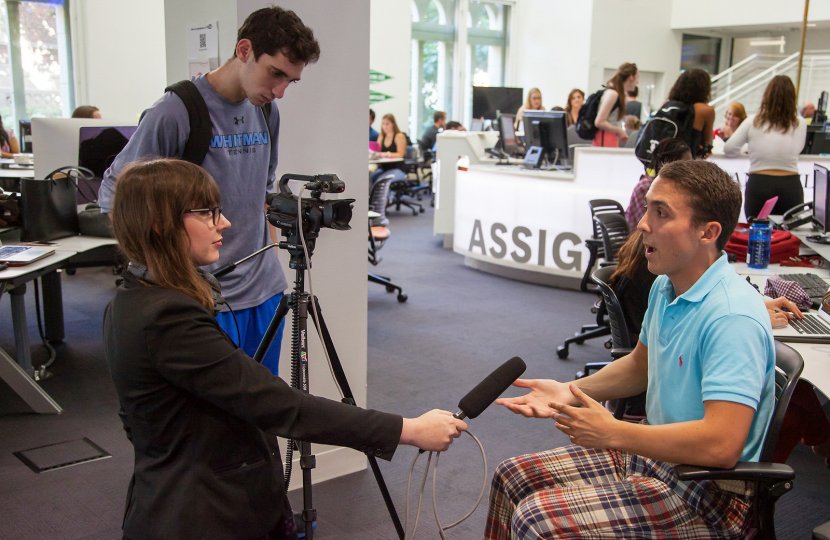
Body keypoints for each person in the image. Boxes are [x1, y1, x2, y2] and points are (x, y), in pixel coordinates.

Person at [105, 158, 467, 539]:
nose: (224, 223)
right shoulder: (168, 316)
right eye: (208, 213)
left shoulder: (132, 299)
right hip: (204, 514)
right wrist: (406, 430)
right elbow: (278, 405)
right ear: (160, 223)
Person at [485, 159, 775, 539]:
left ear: (708, 232)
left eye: (661, 213)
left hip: (709, 492)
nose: (642, 223)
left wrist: (616, 432)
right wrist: (570, 392)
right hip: (660, 458)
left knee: (540, 523)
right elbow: (641, 365)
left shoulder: (732, 318)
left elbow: (721, 445)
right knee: (512, 478)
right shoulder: (667, 286)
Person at [99, 6, 321, 375]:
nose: (279, 91)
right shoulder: (177, 111)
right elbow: (116, 193)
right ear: (245, 50)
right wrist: (161, 272)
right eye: (275, 74)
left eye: (290, 82)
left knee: (267, 410)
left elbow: (260, 196)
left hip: (264, 291)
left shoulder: (266, 112)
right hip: (204, 296)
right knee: (215, 420)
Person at [724, 75, 808, 219]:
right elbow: (798, 148)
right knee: (790, 236)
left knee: (757, 233)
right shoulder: (799, 123)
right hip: (791, 185)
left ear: (767, 96)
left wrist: (750, 150)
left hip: (760, 184)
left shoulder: (753, 121)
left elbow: (729, 148)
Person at [625, 137, 692, 230]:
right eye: (685, 165)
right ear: (667, 164)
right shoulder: (646, 188)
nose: (689, 170)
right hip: (641, 239)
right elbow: (648, 228)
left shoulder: (680, 189)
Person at [665, 68, 716, 158]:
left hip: (660, 163)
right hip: (685, 164)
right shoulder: (705, 110)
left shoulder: (668, 105)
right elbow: (707, 146)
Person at [593, 62, 638, 147]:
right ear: (631, 77)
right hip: (604, 139)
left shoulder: (616, 93)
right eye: (637, 77)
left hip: (609, 138)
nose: (637, 82)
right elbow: (599, 122)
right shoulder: (613, 94)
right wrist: (619, 130)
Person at [371, 112, 408, 184]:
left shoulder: (399, 136)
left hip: (396, 168)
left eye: (387, 124)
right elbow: (377, 152)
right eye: (383, 124)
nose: (385, 126)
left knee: (379, 180)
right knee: (372, 178)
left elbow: (400, 154)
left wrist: (386, 154)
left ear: (393, 124)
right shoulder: (381, 136)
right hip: (384, 168)